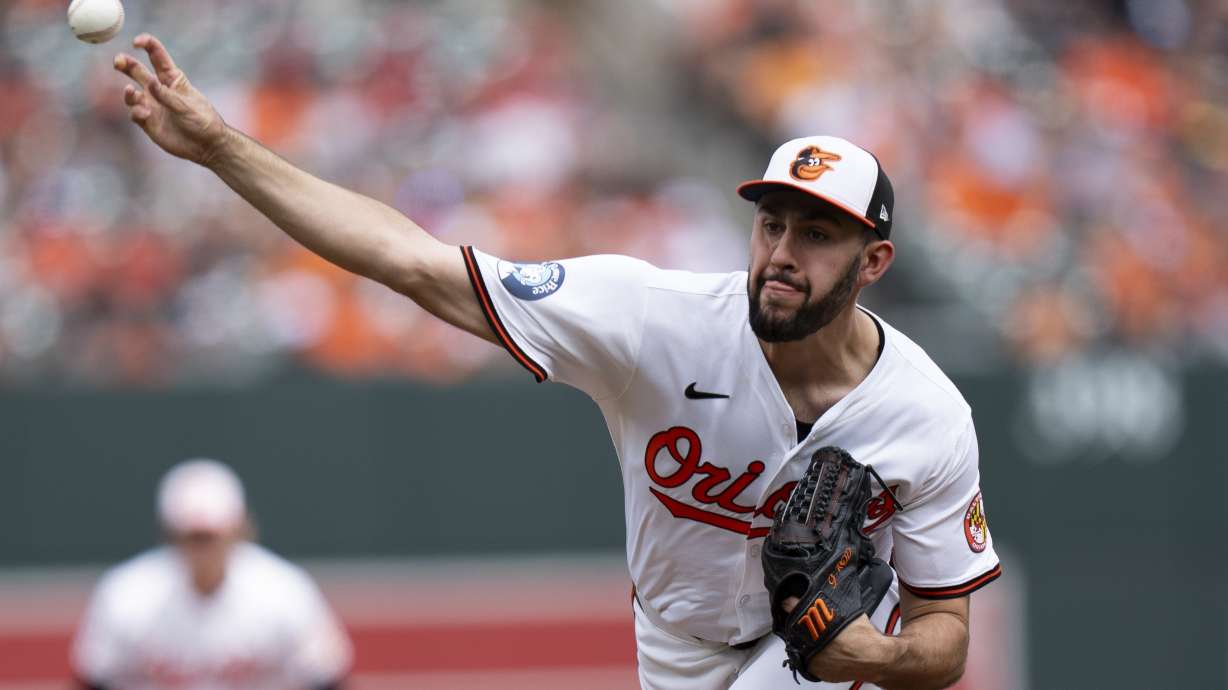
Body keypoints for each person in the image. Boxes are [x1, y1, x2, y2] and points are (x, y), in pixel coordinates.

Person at [111, 34, 1001, 690]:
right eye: (771, 222)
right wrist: (221, 148)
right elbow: (414, 262)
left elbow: (945, 633)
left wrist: (875, 656)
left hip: (822, 650)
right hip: (677, 650)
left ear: (873, 263)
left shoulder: (924, 414)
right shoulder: (654, 321)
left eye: (815, 235)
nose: (780, 252)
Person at [71, 459, 352, 690]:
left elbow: (327, 676)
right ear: (170, 535)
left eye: (210, 537)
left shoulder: (284, 591)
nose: (203, 550)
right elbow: (94, 677)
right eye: (193, 537)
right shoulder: (125, 595)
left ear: (239, 529)